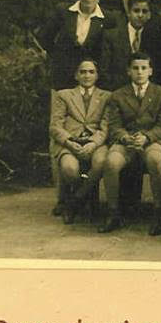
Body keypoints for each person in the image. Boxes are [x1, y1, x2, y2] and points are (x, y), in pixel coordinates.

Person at [100, 52, 161, 235]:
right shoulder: (118, 95)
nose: (140, 72)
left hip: (152, 140)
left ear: (150, 71)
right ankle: (113, 212)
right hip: (127, 141)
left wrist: (146, 137)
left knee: (155, 160)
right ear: (128, 71)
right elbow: (114, 125)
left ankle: (160, 212)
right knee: (111, 162)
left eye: (143, 68)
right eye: (135, 68)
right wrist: (125, 137)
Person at [49, 59, 111, 224]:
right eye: (82, 72)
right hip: (70, 141)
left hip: (95, 142)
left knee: (101, 162)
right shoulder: (64, 95)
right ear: (76, 75)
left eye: (91, 72)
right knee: (70, 169)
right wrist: (69, 141)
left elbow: (106, 126)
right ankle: (86, 198)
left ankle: (74, 202)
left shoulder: (106, 96)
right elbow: (55, 126)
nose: (87, 75)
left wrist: (93, 143)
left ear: (97, 75)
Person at [40, 0, 111, 91]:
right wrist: (58, 57)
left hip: (91, 77)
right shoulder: (63, 12)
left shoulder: (107, 18)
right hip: (63, 74)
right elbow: (45, 37)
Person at [99, 0, 153, 91]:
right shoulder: (111, 36)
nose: (140, 15)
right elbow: (104, 69)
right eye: (136, 11)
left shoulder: (153, 37)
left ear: (149, 15)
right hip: (117, 89)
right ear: (128, 13)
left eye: (144, 11)